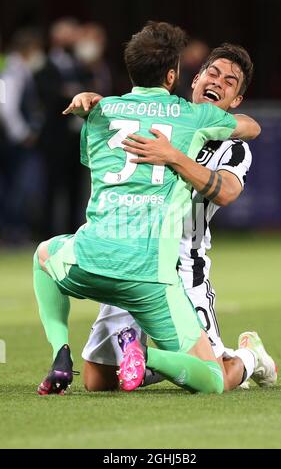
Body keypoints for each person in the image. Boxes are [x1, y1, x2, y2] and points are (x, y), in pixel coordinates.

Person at [33, 22, 260, 396]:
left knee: (219, 371)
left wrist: (171, 156)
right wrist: (96, 102)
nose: (218, 81)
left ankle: (251, 356)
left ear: (234, 100)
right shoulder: (177, 117)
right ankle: (137, 356)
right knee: (96, 381)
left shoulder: (230, 145)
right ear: (191, 78)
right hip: (143, 258)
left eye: (230, 81)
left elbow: (228, 190)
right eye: (212, 72)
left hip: (184, 269)